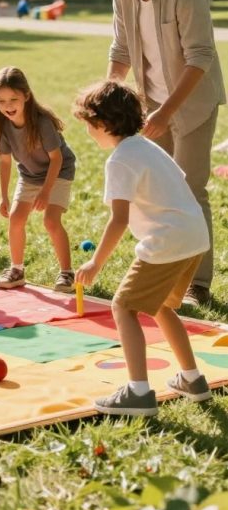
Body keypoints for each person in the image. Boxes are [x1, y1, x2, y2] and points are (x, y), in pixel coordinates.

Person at [91, 0, 225, 307]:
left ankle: (197, 282)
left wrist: (167, 112)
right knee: (157, 193)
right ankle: (164, 272)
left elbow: (200, 57)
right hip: (151, 107)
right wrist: (109, 95)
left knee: (191, 189)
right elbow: (121, 51)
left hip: (192, 105)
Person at [73, 80, 212, 417]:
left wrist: (95, 263)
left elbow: (118, 220)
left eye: (90, 126)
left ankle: (137, 392)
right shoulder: (149, 147)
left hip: (168, 241)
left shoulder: (120, 160)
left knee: (123, 307)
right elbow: (177, 182)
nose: (90, 134)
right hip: (195, 237)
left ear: (104, 124)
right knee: (162, 306)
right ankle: (192, 379)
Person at [0, 66, 76, 292]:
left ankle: (67, 273)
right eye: (1, 101)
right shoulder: (3, 125)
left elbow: (56, 160)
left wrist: (45, 192)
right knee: (15, 218)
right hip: (29, 175)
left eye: (13, 99)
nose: (8, 106)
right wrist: (3, 196)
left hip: (59, 171)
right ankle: (17, 270)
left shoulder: (42, 122)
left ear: (26, 95)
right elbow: (5, 162)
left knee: (51, 221)